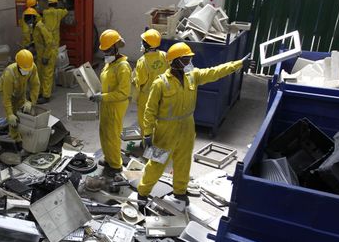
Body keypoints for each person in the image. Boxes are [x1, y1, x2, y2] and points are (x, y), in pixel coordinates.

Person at [137, 43, 249, 207]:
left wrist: (237, 65)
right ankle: (142, 192)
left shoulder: (192, 76)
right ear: (175, 61)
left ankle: (180, 192)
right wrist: (147, 133)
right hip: (165, 131)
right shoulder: (160, 83)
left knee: (183, 162)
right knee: (156, 164)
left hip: (187, 127)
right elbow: (150, 110)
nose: (190, 62)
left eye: (189, 59)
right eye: (186, 59)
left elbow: (214, 72)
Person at [90, 29, 131, 177]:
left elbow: (123, 93)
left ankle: (115, 165)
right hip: (107, 103)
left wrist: (103, 97)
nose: (105, 53)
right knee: (104, 132)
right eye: (104, 51)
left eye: (107, 50)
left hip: (115, 105)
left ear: (115, 47)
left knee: (112, 135)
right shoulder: (110, 63)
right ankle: (108, 159)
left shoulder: (123, 67)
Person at [0, 49, 40, 143]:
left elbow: (35, 85)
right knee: (13, 117)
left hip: (21, 89)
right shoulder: (10, 73)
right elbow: (7, 97)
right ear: (18, 65)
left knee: (22, 111)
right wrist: (9, 114)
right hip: (9, 90)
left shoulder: (32, 67)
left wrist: (30, 101)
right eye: (24, 70)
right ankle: (15, 139)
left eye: (28, 70)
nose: (26, 71)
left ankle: (21, 134)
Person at [133, 29, 167, 131]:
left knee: (145, 121)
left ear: (146, 44)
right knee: (159, 119)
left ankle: (146, 143)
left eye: (143, 41)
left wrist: (133, 79)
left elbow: (139, 81)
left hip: (147, 97)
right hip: (162, 94)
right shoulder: (164, 55)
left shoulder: (142, 61)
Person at [38, 0, 68, 104]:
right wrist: (64, 2)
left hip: (46, 46)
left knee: (43, 72)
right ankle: (45, 94)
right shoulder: (59, 12)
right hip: (53, 47)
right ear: (56, 4)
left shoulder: (45, 13)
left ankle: (45, 94)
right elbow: (66, 11)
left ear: (48, 4)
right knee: (48, 73)